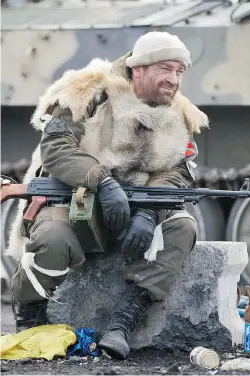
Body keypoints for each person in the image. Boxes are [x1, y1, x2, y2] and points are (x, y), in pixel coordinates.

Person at [8, 31, 209, 360]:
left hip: (137, 205)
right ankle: (31, 317)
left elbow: (177, 172)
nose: (174, 80)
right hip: (71, 197)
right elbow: (56, 149)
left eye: (179, 71)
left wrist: (148, 215)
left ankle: (125, 320)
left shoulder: (180, 116)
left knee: (184, 226)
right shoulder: (87, 91)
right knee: (54, 238)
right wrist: (102, 181)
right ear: (138, 69)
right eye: (165, 70)